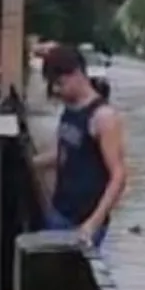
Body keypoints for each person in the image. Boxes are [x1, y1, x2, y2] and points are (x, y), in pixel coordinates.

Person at [33, 44, 128, 248]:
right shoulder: (70, 109)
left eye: (60, 83)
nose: (57, 90)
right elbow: (64, 153)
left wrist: (92, 224)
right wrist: (29, 163)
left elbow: (118, 176)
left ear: (77, 74)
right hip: (59, 212)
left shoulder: (104, 117)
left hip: (83, 225)